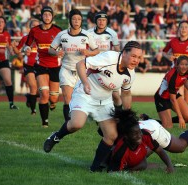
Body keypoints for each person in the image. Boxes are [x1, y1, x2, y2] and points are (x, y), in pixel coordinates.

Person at [43, 41, 143, 172]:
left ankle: (94, 168)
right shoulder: (109, 57)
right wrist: (85, 83)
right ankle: (56, 136)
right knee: (76, 124)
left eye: (139, 57)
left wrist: (127, 114)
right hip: (85, 94)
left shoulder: (131, 74)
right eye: (134, 56)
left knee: (111, 135)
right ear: (124, 53)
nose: (136, 60)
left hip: (104, 101)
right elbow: (80, 64)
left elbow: (126, 93)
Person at [108, 109, 188, 171]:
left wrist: (170, 166)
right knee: (133, 157)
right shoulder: (120, 132)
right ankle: (148, 119)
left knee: (181, 146)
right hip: (143, 128)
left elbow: (147, 160)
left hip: (154, 130)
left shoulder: (140, 135)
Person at [49, 9, 99, 121]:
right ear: (70, 21)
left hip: (82, 71)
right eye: (74, 19)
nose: (76, 21)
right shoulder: (62, 35)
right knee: (67, 98)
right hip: (66, 69)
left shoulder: (87, 35)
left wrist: (88, 53)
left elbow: (96, 51)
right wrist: (57, 52)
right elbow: (50, 50)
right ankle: (68, 124)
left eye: (79, 19)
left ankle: (88, 117)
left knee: (84, 97)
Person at [25, 6, 62, 127]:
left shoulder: (58, 30)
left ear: (52, 17)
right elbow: (28, 44)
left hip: (55, 66)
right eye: (45, 15)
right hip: (40, 65)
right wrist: (27, 49)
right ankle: (44, 122)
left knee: (54, 98)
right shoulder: (34, 30)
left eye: (49, 15)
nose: (47, 17)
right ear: (41, 16)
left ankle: (53, 104)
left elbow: (64, 45)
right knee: (44, 94)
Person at [107, 109, 174, 173]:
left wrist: (170, 166)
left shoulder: (145, 134)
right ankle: (130, 168)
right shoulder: (121, 150)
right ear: (126, 136)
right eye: (135, 134)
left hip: (136, 158)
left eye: (139, 132)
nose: (139, 135)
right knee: (143, 164)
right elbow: (112, 172)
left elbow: (160, 150)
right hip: (124, 161)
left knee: (144, 163)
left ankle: (134, 167)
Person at [162, 20, 188, 105]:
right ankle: (181, 116)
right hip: (176, 71)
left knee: (187, 101)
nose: (183, 29)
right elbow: (164, 52)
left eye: (185, 27)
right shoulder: (173, 41)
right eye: (181, 27)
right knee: (179, 97)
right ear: (178, 29)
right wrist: (168, 56)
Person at [87, 11, 122, 110]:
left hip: (108, 67)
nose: (101, 22)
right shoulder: (88, 33)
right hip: (93, 67)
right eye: (99, 20)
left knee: (115, 95)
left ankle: (119, 115)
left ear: (107, 21)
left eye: (104, 20)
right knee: (93, 93)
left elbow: (117, 50)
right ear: (96, 21)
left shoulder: (112, 33)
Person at [153, 55, 188, 129]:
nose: (184, 67)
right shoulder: (172, 76)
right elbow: (172, 100)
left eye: (186, 64)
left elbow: (185, 79)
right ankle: (148, 120)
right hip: (162, 98)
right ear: (177, 65)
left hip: (174, 94)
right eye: (182, 64)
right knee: (168, 127)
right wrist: (180, 117)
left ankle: (165, 121)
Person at [12, 19, 40, 115]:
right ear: (30, 28)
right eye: (33, 26)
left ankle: (29, 97)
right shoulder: (25, 38)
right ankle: (33, 111)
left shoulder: (43, 39)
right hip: (29, 66)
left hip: (41, 66)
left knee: (39, 91)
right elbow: (17, 51)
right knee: (33, 87)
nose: (35, 28)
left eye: (37, 26)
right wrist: (14, 46)